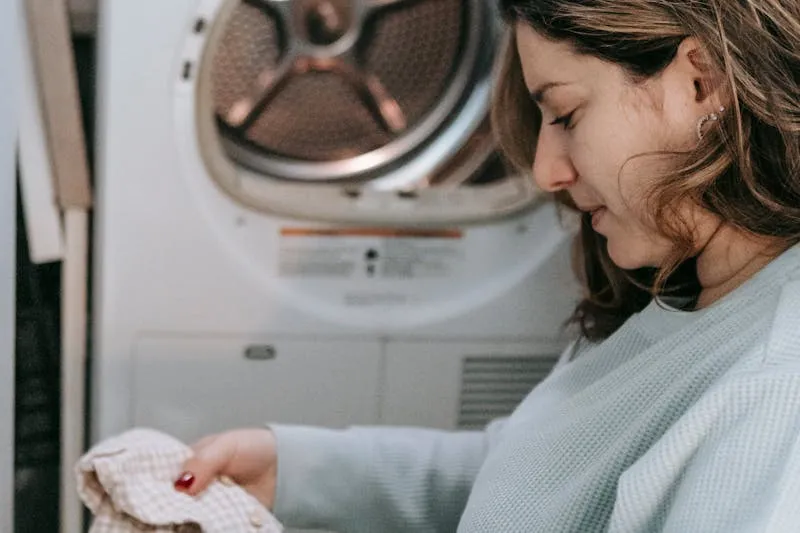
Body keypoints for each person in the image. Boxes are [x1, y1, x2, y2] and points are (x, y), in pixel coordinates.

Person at [172, 1, 800, 531]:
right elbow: (533, 474)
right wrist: (292, 469)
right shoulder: (681, 292)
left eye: (565, 115)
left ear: (702, 82)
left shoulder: (773, 392)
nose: (550, 171)